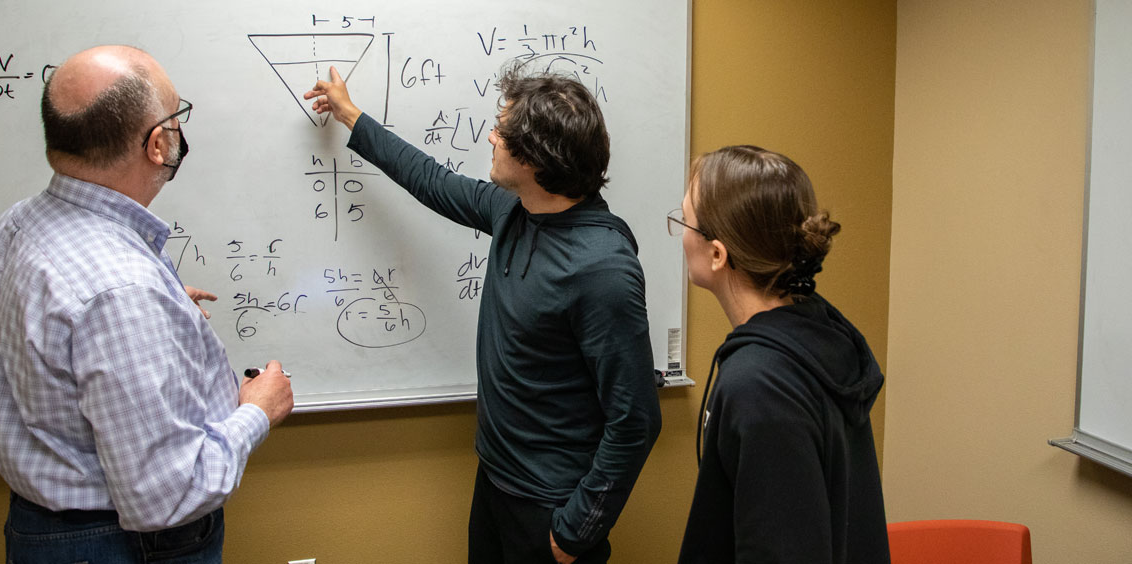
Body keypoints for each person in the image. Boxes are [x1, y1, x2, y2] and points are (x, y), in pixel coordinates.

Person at [304, 64, 661, 564]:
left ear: (536, 158)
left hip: (550, 508)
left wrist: (575, 533)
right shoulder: (514, 212)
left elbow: (636, 419)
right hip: (495, 481)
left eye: (503, 130)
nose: (491, 136)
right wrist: (350, 115)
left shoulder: (601, 267)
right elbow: (431, 179)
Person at [0, 45, 294, 563]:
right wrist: (258, 411)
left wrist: (153, 317)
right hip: (123, 546)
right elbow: (169, 495)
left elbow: (53, 338)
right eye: (176, 116)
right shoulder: (120, 293)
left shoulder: (20, 223)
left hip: (41, 529)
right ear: (158, 144)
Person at [671, 146, 888, 564]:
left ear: (718, 254)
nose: (680, 234)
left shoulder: (759, 387)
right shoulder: (819, 332)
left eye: (684, 220)